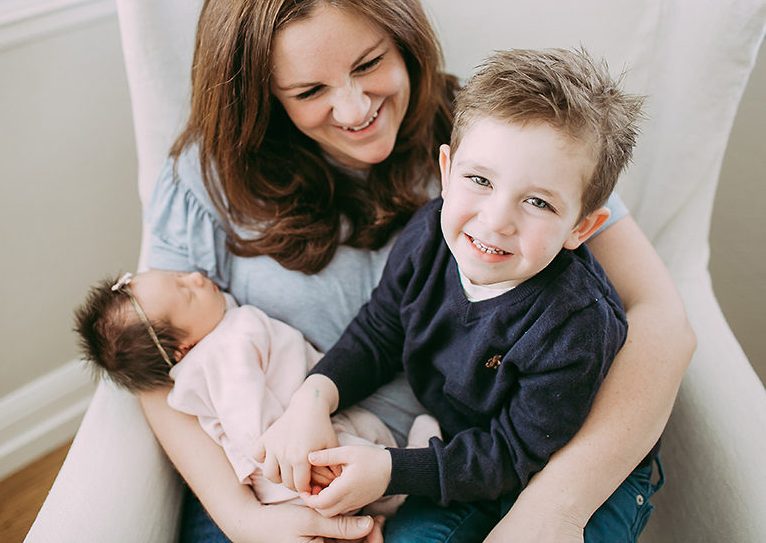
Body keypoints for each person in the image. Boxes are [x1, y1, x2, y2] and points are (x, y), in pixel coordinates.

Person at [136, 0, 695, 542]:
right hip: (282, 472)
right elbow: (149, 361)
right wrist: (245, 517)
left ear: (405, 37)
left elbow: (660, 320)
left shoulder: (511, 138)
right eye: (308, 91)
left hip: (465, 463)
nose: (355, 110)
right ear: (265, 95)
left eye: (370, 62)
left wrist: (553, 506)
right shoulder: (207, 178)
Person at [257, 47, 663, 543]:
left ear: (582, 226)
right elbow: (380, 331)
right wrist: (312, 399)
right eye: (480, 180)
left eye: (537, 202)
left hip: (574, 473)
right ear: (447, 171)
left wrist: (390, 469)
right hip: (471, 449)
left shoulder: (574, 322)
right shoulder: (429, 235)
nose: (495, 220)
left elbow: (513, 453)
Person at [73, 269, 436, 523]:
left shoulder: (202, 363)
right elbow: (251, 426)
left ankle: (381, 506)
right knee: (365, 452)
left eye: (178, 275)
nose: (196, 277)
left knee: (363, 443)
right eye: (186, 292)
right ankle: (397, 495)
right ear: (181, 348)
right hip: (296, 460)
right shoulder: (223, 351)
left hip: (301, 450)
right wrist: (303, 464)